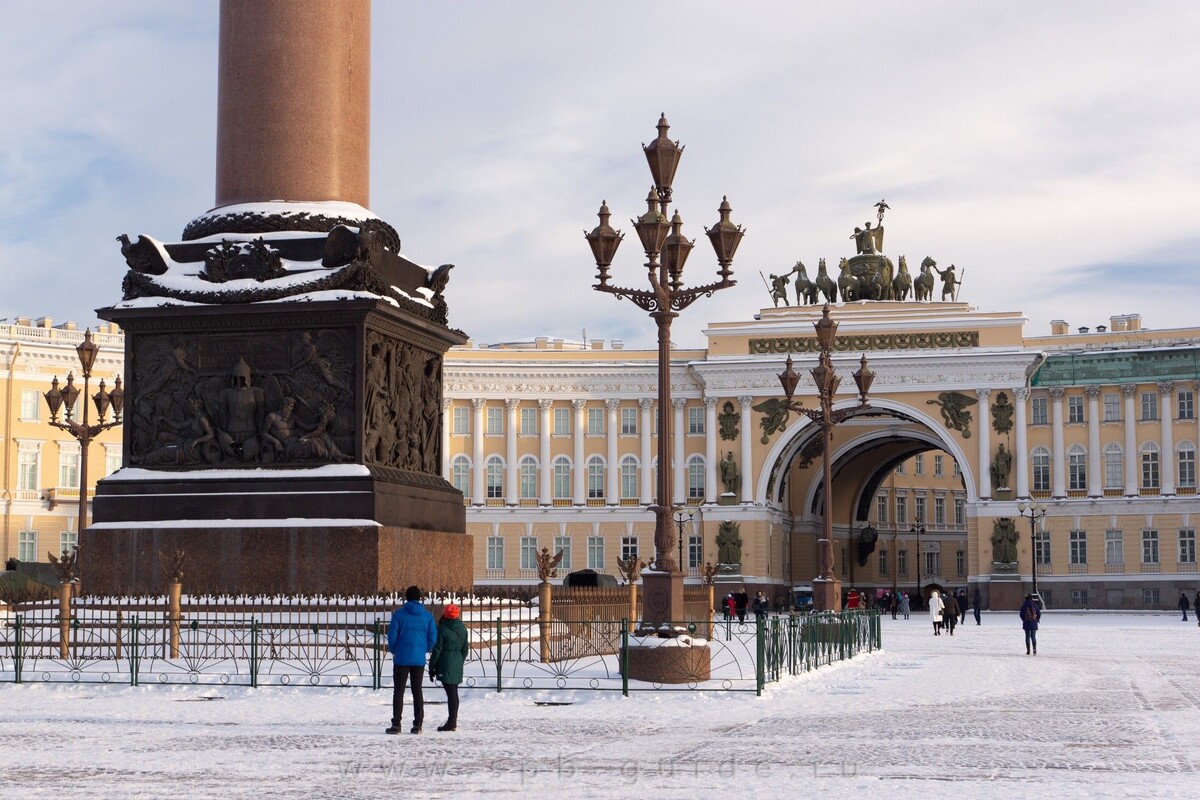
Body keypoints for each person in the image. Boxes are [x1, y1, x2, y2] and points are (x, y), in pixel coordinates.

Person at [386, 585, 438, 735]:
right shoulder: (427, 616)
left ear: (406, 598)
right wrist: (425, 649)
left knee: (398, 692)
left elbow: (392, 636)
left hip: (401, 657)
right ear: (420, 598)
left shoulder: (398, 615)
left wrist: (395, 650)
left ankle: (396, 724)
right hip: (418, 659)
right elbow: (432, 637)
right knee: (417, 691)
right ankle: (418, 724)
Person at [429, 602, 469, 732]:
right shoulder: (463, 628)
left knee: (451, 693)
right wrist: (459, 660)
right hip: (457, 661)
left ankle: (452, 721)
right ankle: (453, 720)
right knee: (453, 692)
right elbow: (465, 649)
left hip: (446, 662)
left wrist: (432, 667)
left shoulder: (442, 629)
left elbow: (437, 650)